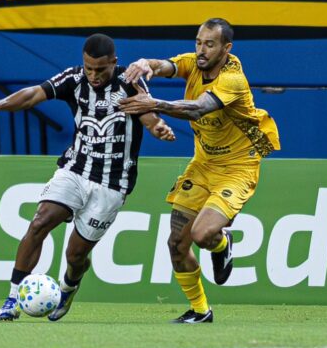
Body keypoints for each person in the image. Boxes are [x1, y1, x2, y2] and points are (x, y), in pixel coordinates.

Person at [0, 34, 176, 322]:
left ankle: (68, 287)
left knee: (75, 254)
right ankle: (13, 297)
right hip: (75, 170)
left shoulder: (129, 81)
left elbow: (148, 115)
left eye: (100, 70)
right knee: (41, 221)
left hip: (112, 183)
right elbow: (33, 94)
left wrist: (159, 128)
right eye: (89, 68)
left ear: (113, 63)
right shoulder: (74, 79)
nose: (93, 75)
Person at [120, 19, 280, 325]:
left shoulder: (233, 79)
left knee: (203, 233)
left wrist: (152, 103)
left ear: (226, 48)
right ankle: (200, 310)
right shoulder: (194, 62)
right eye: (198, 42)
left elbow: (197, 108)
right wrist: (145, 65)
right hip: (204, 163)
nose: (201, 49)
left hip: (237, 166)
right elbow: (165, 65)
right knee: (176, 245)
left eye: (209, 44)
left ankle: (222, 244)